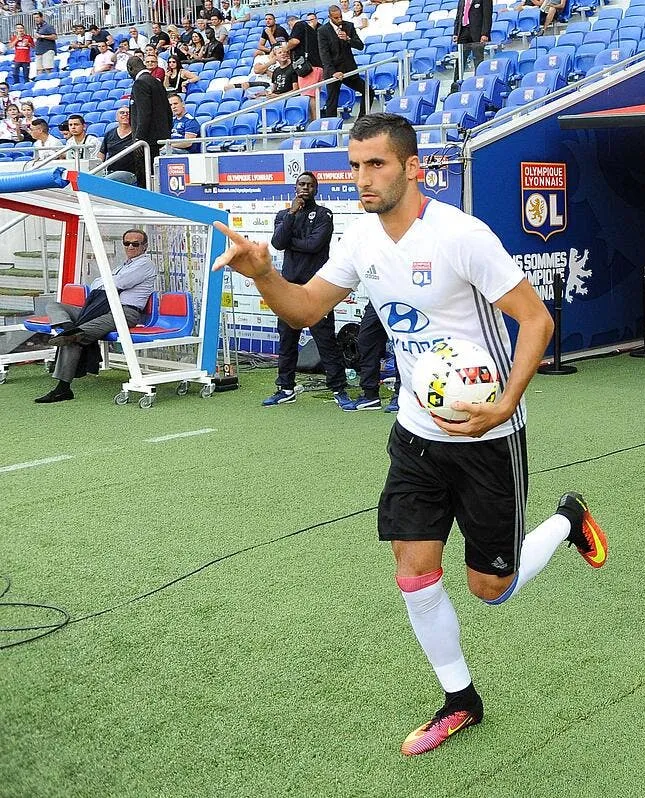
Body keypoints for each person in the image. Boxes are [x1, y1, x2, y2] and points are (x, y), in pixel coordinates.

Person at [212, 113, 608, 755]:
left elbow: (536, 321)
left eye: (376, 165)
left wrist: (505, 405)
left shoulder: (462, 236)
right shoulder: (359, 241)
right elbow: (308, 308)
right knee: (414, 572)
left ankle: (566, 520)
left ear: (413, 168)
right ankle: (461, 700)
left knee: (491, 590)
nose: (362, 179)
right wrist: (262, 272)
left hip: (487, 438)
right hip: (416, 433)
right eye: (355, 165)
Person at [35, 229, 159, 404]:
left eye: (135, 243)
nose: (130, 246)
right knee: (55, 305)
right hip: (103, 308)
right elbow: (97, 285)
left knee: (73, 337)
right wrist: (105, 282)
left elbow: (116, 283)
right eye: (127, 243)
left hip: (125, 312)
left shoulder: (145, 264)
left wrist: (105, 281)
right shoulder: (123, 266)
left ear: (144, 246)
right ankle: (68, 327)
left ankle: (62, 389)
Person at [261, 172, 352, 408]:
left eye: (310, 185)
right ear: (295, 188)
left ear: (316, 189)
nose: (305, 188)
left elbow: (314, 245)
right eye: (302, 184)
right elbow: (278, 243)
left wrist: (291, 241)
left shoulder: (324, 214)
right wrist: (292, 214)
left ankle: (339, 389)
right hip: (289, 288)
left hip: (317, 289)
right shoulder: (284, 214)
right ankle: (285, 388)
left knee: (326, 341)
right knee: (287, 340)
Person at [319, 3, 366, 119]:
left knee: (368, 91)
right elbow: (324, 54)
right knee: (332, 101)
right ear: (330, 17)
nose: (339, 19)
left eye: (340, 17)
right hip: (333, 71)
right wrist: (333, 72)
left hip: (349, 69)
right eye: (336, 18)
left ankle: (361, 120)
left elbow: (360, 46)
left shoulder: (349, 26)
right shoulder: (322, 31)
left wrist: (348, 39)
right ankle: (332, 130)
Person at [129, 54, 172, 175]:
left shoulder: (140, 83)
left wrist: (139, 138)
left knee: (145, 177)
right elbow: (168, 111)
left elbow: (144, 113)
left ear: (130, 68)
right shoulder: (157, 82)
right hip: (160, 138)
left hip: (147, 140)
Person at [287, 11, 324, 122]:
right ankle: (315, 121)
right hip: (316, 66)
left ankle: (315, 122)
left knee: (309, 96)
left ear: (290, 23)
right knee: (313, 94)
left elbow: (294, 41)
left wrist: (286, 48)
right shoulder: (309, 30)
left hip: (308, 68)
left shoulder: (299, 25)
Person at [98, 106, 138, 185]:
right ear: (117, 117)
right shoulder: (109, 134)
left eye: (128, 113)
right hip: (110, 172)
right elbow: (101, 154)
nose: (125, 115)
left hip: (129, 173)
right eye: (122, 113)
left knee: (103, 183)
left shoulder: (137, 134)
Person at [453, 0, 491, 72]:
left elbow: (487, 16)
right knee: (460, 59)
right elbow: (458, 15)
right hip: (463, 31)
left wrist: (485, 33)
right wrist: (456, 33)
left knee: (478, 58)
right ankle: (456, 81)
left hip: (477, 32)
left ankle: (479, 78)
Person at [32, 12, 56, 77]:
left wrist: (42, 36)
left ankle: (51, 81)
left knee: (47, 68)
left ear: (42, 17)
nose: (36, 19)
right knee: (39, 69)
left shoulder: (48, 26)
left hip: (47, 49)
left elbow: (54, 37)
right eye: (34, 18)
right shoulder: (36, 28)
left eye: (37, 17)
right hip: (39, 50)